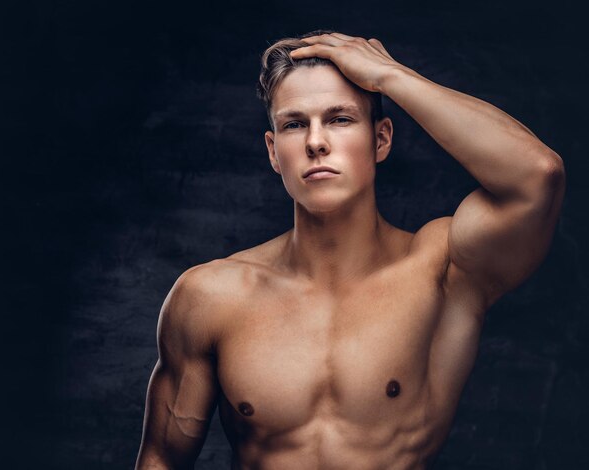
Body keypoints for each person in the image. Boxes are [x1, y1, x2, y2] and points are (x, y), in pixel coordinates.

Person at [135, 30, 565, 469]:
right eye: (294, 124)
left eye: (339, 119)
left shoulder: (441, 269)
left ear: (381, 140)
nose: (315, 142)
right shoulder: (210, 297)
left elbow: (537, 175)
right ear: (273, 151)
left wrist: (391, 75)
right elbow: (161, 459)